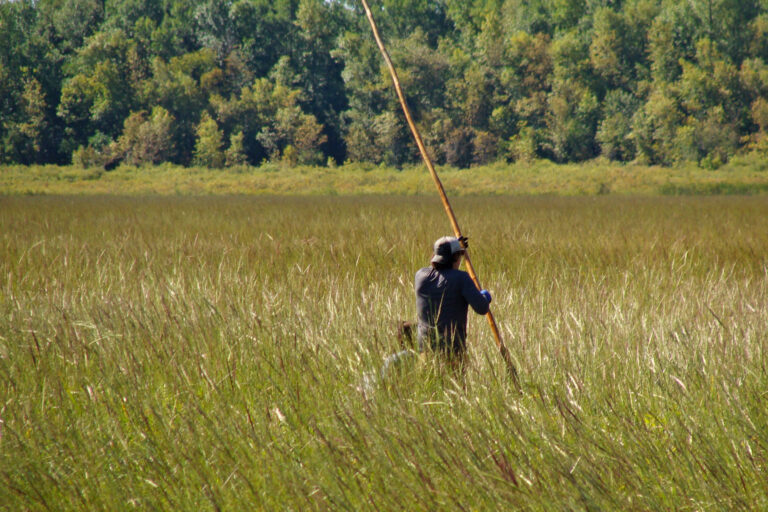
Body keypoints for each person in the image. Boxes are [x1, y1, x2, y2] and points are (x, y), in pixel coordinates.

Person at [415, 236, 492, 364]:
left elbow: (440, 265)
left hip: (425, 351)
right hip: (452, 353)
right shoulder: (461, 278)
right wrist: (485, 296)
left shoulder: (420, 276)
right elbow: (482, 308)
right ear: (455, 257)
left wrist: (455, 246)